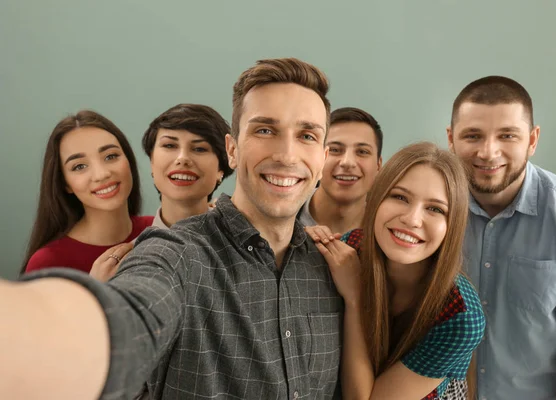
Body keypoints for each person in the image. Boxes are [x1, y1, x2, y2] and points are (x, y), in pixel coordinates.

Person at [1, 57, 342, 400]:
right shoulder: (174, 253)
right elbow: (129, 316)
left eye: (307, 135)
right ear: (233, 150)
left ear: (323, 158)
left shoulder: (332, 269)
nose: (286, 153)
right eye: (264, 130)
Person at [446, 76, 556, 399]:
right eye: (472, 135)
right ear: (451, 139)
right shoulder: (431, 209)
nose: (488, 152)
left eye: (507, 136)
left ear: (532, 140)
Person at [307, 142, 485, 399]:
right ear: (376, 199)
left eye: (435, 209)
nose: (412, 219)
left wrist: (355, 297)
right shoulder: (351, 248)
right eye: (400, 197)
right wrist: (307, 244)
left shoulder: (462, 316)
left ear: (452, 225)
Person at [89, 104, 234, 283]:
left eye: (199, 148)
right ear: (152, 163)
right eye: (169, 145)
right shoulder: (125, 263)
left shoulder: (246, 241)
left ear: (222, 168)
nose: (182, 158)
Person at [21, 110, 153, 275]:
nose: (101, 174)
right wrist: (96, 289)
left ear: (128, 160)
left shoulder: (161, 231)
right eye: (79, 166)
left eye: (111, 156)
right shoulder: (47, 263)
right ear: (65, 184)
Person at [298, 107, 382, 234]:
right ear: (319, 157)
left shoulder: (388, 231)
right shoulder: (281, 213)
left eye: (362, 152)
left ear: (378, 165)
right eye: (335, 150)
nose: (347, 162)